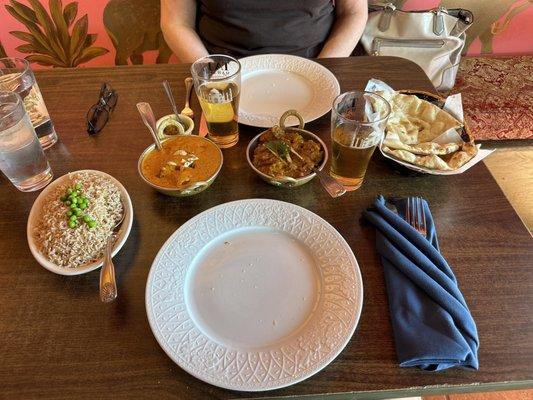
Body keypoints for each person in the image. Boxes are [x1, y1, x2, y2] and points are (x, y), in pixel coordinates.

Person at [161, 0, 368, 63]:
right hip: (220, 67)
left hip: (317, 61)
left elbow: (353, 12)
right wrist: (210, 75)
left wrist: (323, 69)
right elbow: (176, 22)